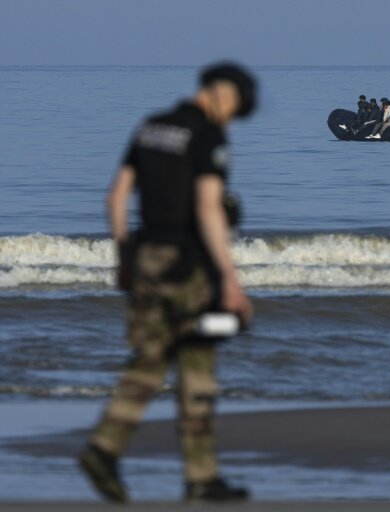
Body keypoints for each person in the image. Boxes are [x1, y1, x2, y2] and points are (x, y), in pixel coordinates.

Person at [78, 62, 256, 503]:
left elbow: (116, 195)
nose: (230, 120)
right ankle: (196, 475)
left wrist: (123, 257)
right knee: (196, 364)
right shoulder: (207, 135)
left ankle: (111, 450)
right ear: (226, 96)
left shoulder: (150, 127)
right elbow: (208, 208)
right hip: (186, 263)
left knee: (153, 355)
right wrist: (231, 280)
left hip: (146, 260)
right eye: (234, 111)